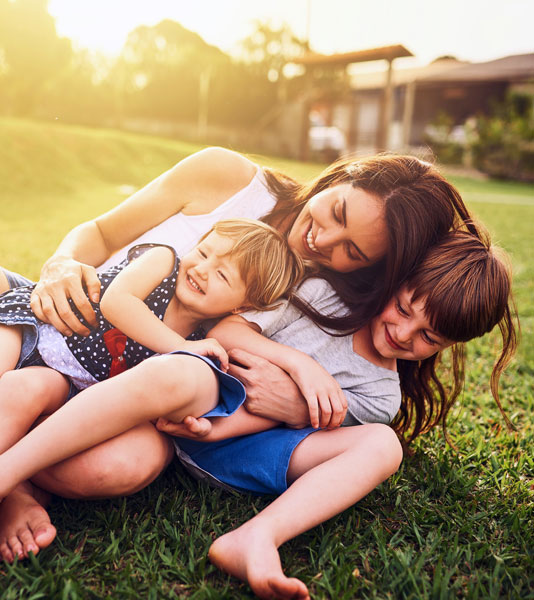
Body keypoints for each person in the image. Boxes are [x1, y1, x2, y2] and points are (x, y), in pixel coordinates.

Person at [0, 148, 475, 562]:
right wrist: (61, 263)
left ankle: (19, 483)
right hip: (76, 325)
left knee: (113, 469)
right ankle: (14, 481)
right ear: (341, 176)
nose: (324, 240)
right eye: (338, 212)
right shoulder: (228, 179)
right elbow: (101, 234)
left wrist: (293, 403)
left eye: (353, 249)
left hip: (138, 391)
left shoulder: (320, 288)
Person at [162, 229, 517, 599]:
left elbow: (295, 422)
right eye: (402, 308)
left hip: (240, 452)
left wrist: (220, 431)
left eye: (429, 337)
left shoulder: (381, 396)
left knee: (383, 444)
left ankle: (258, 535)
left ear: (451, 345)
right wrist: (300, 365)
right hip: (195, 398)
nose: (403, 332)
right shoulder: (324, 296)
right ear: (393, 282)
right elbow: (227, 333)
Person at [0, 219, 305, 457]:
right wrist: (182, 346)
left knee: (23, 392)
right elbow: (116, 302)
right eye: (203, 252)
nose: (201, 269)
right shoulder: (163, 262)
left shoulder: (203, 338)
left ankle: (15, 485)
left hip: (65, 379)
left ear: (243, 305)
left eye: (223, 275)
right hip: (35, 325)